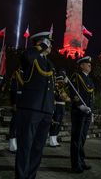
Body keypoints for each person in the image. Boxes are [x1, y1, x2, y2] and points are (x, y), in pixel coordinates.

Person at [15, 31, 55, 179]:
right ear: (40, 42)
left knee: (38, 148)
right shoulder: (32, 56)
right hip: (31, 108)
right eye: (48, 42)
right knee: (26, 146)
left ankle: (31, 176)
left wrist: (52, 109)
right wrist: (39, 47)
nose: (50, 45)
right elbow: (26, 57)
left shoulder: (49, 63)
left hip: (45, 110)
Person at [69, 56, 94, 173]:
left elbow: (91, 98)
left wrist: (91, 112)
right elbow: (72, 91)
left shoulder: (89, 79)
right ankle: (75, 164)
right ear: (81, 65)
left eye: (90, 64)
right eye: (87, 63)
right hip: (79, 112)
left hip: (87, 113)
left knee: (82, 138)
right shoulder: (76, 76)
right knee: (76, 138)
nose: (89, 65)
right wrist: (80, 105)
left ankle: (81, 161)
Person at [49, 72, 70, 147]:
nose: (62, 82)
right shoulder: (55, 88)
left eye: (62, 81)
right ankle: (52, 139)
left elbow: (66, 96)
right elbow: (60, 97)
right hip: (57, 105)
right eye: (60, 81)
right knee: (55, 122)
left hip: (62, 106)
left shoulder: (62, 89)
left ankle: (55, 138)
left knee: (59, 123)